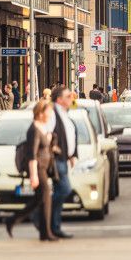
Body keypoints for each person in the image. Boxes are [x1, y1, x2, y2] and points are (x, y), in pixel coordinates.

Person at [4, 100, 58, 242]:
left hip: (43, 168)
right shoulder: (33, 130)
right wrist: (33, 175)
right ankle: (46, 232)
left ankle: (40, 231)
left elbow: (43, 146)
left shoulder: (41, 127)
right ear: (40, 113)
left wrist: (49, 138)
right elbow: (32, 154)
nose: (50, 115)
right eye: (48, 112)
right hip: (38, 169)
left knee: (40, 200)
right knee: (45, 197)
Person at [46, 86, 77, 239]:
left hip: (64, 158)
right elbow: (47, 133)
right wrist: (54, 148)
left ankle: (54, 226)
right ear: (59, 99)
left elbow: (68, 134)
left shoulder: (64, 113)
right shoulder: (52, 113)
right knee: (65, 190)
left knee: (63, 190)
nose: (72, 98)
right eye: (68, 96)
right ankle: (42, 215)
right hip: (56, 159)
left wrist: (72, 155)